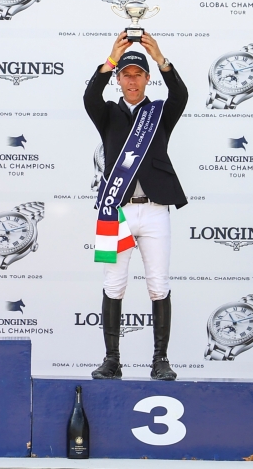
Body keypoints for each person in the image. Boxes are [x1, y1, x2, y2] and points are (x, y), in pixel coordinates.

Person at [83, 32, 187, 380]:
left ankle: (161, 359)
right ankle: (111, 360)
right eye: (125, 74)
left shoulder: (159, 113)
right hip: (117, 209)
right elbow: (89, 96)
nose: (131, 80)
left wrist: (159, 57)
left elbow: (181, 95)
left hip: (155, 209)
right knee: (114, 284)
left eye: (137, 74)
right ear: (118, 79)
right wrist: (111, 58)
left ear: (146, 79)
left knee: (158, 283)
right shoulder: (107, 114)